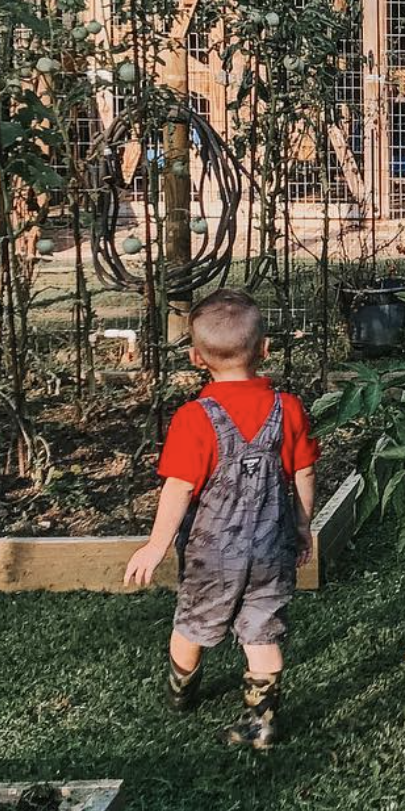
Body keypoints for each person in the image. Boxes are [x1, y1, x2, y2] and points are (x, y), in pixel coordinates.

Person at [124, 288, 319, 750]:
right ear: (264, 349)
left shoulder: (194, 418)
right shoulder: (288, 409)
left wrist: (155, 545)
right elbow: (305, 472)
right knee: (261, 632)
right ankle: (261, 723)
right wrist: (302, 525)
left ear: (196, 358)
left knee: (192, 625)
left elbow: (179, 488)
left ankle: (181, 691)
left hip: (212, 557)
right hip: (271, 549)